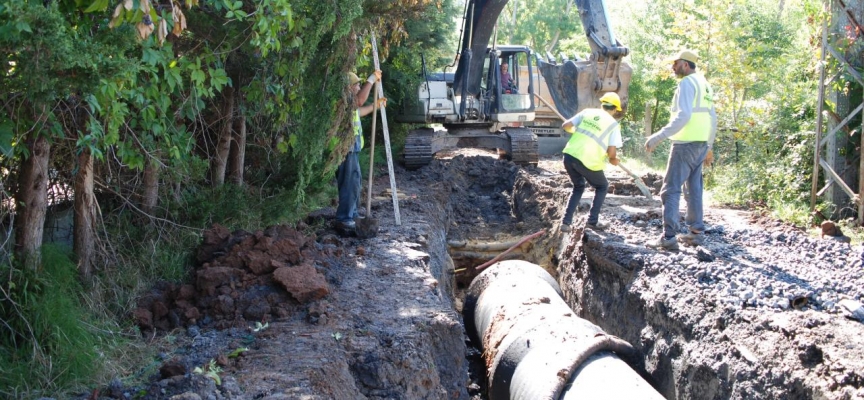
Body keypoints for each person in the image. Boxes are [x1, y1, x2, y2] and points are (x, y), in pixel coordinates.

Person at [644, 49, 717, 250]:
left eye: (675, 63)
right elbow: (713, 118)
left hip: (685, 144)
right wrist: (709, 145)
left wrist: (658, 136)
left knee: (670, 190)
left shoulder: (686, 83)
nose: (673, 67)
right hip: (701, 143)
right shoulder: (704, 84)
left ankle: (668, 237)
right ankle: (696, 232)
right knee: (694, 189)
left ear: (685, 64)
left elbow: (683, 116)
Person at [559, 92, 624, 232]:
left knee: (578, 186)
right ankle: (592, 222)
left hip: (569, 155)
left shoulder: (587, 112)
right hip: (587, 160)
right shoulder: (613, 124)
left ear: (602, 105)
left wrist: (574, 130)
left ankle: (566, 223)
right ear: (614, 109)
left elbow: (566, 125)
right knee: (602, 186)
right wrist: (613, 159)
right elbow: (612, 152)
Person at [336, 70, 384, 234]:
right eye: (356, 85)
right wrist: (371, 80)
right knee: (349, 184)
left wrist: (374, 106)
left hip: (352, 149)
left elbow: (358, 111)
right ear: (348, 88)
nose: (358, 87)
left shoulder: (349, 104)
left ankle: (352, 214)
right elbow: (359, 102)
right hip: (346, 149)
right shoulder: (343, 102)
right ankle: (345, 218)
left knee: (354, 183)